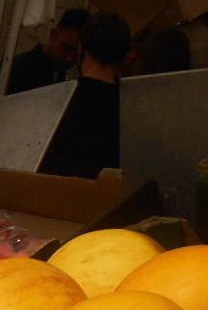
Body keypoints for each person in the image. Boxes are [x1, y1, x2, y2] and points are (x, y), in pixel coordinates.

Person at [37, 12, 131, 181]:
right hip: (108, 204)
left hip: (51, 198)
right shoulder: (133, 108)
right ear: (124, 58)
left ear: (80, 50)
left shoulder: (56, 100)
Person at [7, 9, 86, 95]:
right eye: (67, 48)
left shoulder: (64, 76)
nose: (70, 58)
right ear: (54, 35)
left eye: (77, 54)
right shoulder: (20, 67)